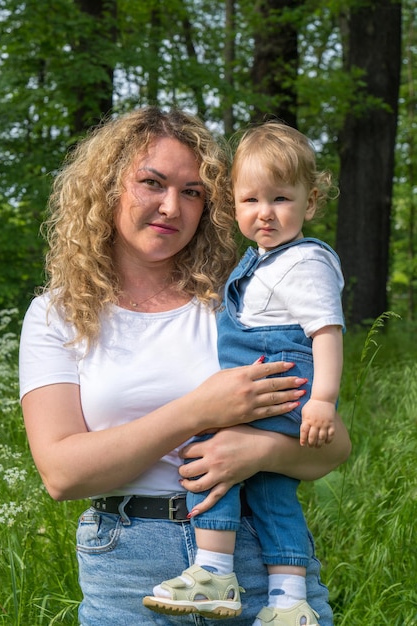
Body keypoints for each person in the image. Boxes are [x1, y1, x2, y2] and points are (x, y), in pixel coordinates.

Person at [19, 107, 351, 626]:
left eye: (192, 191)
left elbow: (332, 447)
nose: (171, 206)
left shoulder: (241, 300)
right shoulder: (58, 314)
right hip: (127, 565)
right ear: (108, 188)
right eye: (152, 182)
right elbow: (61, 474)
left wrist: (258, 449)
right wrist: (198, 409)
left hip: (258, 556)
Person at [145, 121, 345, 626]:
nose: (265, 213)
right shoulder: (262, 260)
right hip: (278, 383)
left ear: (311, 201)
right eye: (250, 200)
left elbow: (327, 332)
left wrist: (322, 400)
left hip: (283, 383)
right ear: (233, 204)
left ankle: (212, 569)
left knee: (211, 439)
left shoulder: (306, 262)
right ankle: (289, 600)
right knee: (271, 488)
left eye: (280, 199)